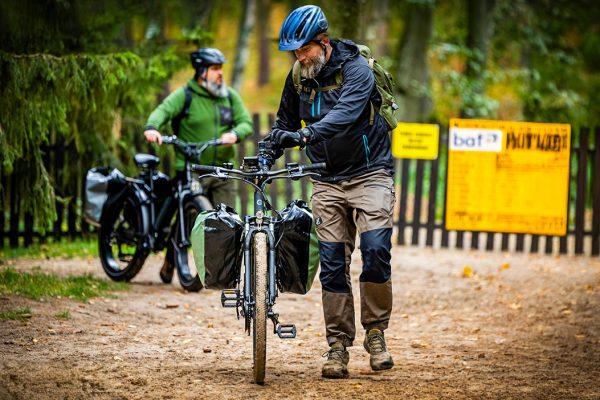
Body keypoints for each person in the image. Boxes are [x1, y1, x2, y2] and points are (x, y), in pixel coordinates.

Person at [268, 5, 396, 379]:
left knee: (375, 252)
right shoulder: (298, 77)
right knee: (333, 262)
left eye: (303, 50)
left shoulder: (358, 70)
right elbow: (285, 122)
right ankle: (338, 345)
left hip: (370, 173)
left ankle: (376, 334)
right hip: (325, 178)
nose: (299, 58)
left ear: (323, 43)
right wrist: (272, 146)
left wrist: (306, 134)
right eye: (294, 52)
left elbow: (346, 115)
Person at [144, 47, 253, 283]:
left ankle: (221, 274)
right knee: (190, 218)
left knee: (227, 222)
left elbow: (246, 122)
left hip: (223, 169)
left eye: (220, 68)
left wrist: (235, 134)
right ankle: (173, 261)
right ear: (201, 72)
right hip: (192, 169)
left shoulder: (229, 96)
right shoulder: (186, 95)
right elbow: (162, 112)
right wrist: (152, 128)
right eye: (214, 69)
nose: (219, 73)